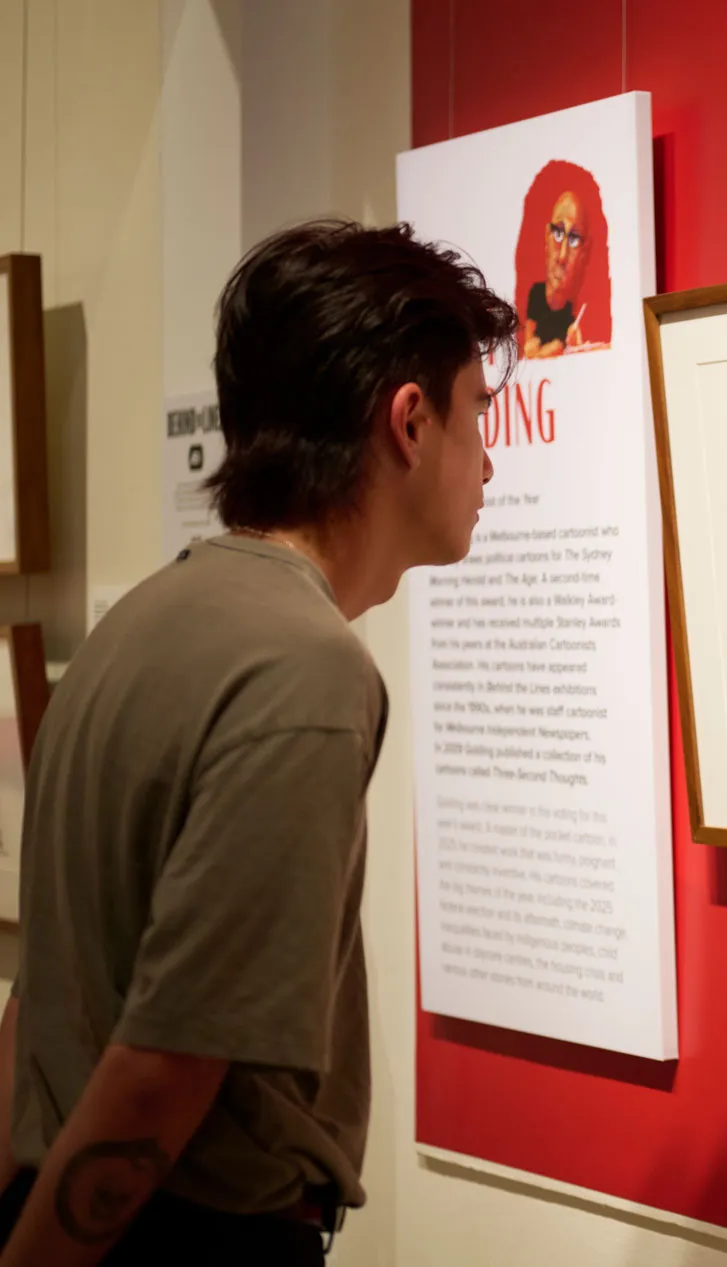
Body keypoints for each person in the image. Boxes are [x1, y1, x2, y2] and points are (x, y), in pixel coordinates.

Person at [0, 220, 513, 1265]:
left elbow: (46, 995)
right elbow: (166, 1063)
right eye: (477, 417)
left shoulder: (140, 622)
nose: (490, 462)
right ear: (408, 422)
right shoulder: (307, 670)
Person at [523, 189, 591, 357]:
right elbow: (527, 349)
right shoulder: (536, 293)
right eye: (558, 233)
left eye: (574, 239)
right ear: (547, 236)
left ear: (583, 253)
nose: (562, 257)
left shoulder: (571, 312)